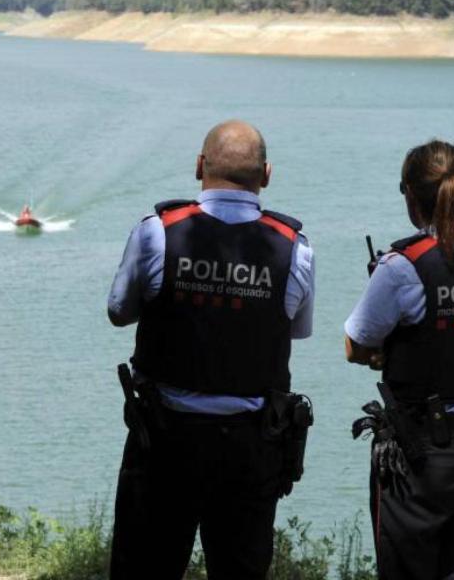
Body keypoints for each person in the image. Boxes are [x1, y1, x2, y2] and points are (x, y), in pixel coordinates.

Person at [107, 120, 315, 580]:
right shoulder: (293, 248)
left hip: (165, 441)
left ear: (199, 166)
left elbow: (119, 311)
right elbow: (295, 329)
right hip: (250, 447)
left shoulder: (157, 233)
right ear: (267, 175)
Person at [344, 140, 454, 579]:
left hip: (425, 459)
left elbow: (355, 345)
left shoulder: (402, 266)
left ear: (410, 195)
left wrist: (386, 352)